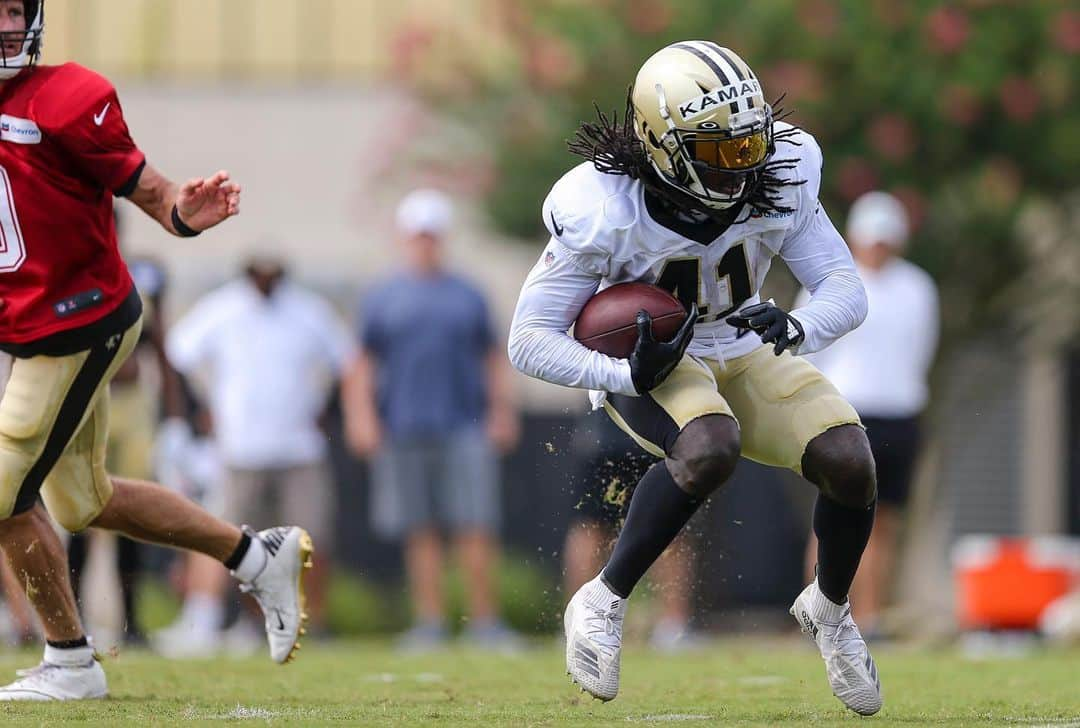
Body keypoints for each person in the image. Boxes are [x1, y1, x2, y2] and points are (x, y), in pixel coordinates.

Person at [508, 42, 881, 715]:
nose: (742, 164)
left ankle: (829, 609)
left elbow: (843, 286)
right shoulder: (604, 206)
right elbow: (528, 340)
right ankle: (602, 599)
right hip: (661, 358)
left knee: (849, 461)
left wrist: (798, 327)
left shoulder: (786, 170)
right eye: (721, 150)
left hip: (743, 343)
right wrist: (622, 371)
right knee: (711, 447)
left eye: (749, 145)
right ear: (664, 146)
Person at [0, 0, 311, 701]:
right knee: (81, 501)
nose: (3, 25)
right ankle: (254, 556)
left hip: (79, 322)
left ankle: (71, 662)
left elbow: (153, 191)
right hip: (29, 331)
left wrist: (181, 208)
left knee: (3, 490)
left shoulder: (67, 96)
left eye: (13, 9)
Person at [344, 188, 521, 651]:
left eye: (432, 235)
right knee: (419, 528)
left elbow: (491, 358)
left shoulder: (468, 294)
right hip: (402, 426)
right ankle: (431, 622)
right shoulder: (383, 295)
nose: (425, 243)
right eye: (418, 235)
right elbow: (361, 364)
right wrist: (362, 419)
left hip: (464, 423)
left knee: (474, 524)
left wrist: (501, 412)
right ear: (405, 237)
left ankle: (485, 623)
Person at [164, 255, 353, 641]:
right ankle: (208, 619)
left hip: (299, 448)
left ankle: (314, 623)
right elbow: (177, 353)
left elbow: (346, 360)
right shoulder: (222, 307)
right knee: (226, 537)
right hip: (239, 449)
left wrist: (327, 411)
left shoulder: (308, 310)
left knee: (311, 536)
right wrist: (199, 412)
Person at [800, 191, 939, 636]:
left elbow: (922, 349)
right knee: (831, 518)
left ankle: (871, 617)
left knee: (884, 523)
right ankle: (820, 614)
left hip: (899, 414)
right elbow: (807, 356)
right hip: (845, 411)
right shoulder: (828, 284)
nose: (877, 247)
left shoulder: (917, 287)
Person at [564, 411, 704, 651]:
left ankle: (579, 625)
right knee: (666, 527)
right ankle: (674, 626)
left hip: (607, 434)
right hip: (649, 434)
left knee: (592, 527)